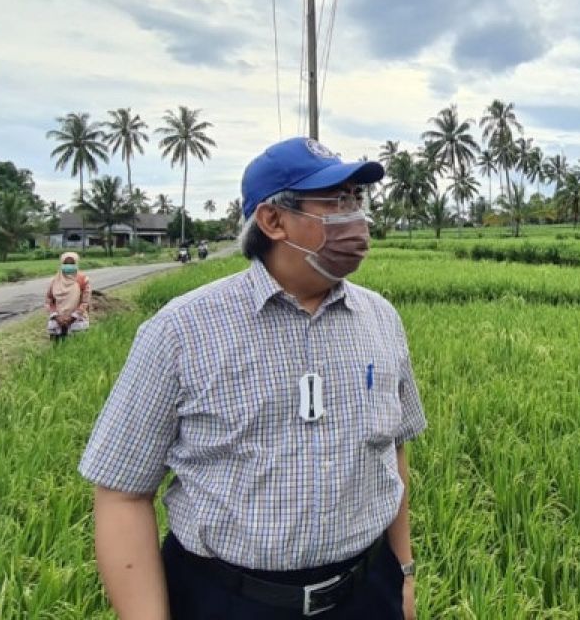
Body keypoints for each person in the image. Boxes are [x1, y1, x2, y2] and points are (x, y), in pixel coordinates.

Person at [80, 136, 427, 620]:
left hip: (367, 591)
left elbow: (393, 452)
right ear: (272, 220)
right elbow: (122, 492)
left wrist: (404, 576)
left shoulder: (381, 319)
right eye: (334, 201)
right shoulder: (181, 330)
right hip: (227, 599)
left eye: (356, 200)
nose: (355, 218)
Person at [46, 252, 90, 341]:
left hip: (77, 321)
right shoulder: (54, 280)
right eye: (66, 263)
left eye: (71, 263)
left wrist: (72, 318)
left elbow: (85, 302)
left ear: (76, 264)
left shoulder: (83, 280)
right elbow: (49, 300)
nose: (68, 266)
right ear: (61, 264)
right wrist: (57, 317)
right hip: (57, 322)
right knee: (57, 350)